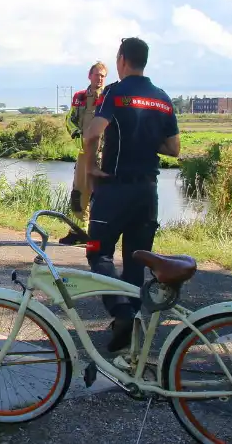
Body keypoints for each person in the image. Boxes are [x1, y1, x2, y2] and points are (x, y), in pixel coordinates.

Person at [78, 37, 180, 353]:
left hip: (115, 188)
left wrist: (91, 166)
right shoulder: (162, 99)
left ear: (122, 60)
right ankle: (131, 324)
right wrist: (146, 139)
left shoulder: (117, 93)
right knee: (136, 259)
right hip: (148, 192)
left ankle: (122, 314)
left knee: (99, 252)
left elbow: (92, 131)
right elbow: (174, 149)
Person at [66, 62, 109, 224]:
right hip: (84, 151)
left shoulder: (109, 96)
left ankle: (98, 231)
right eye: (97, 75)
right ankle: (78, 229)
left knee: (100, 193)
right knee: (78, 191)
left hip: (104, 152)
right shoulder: (80, 96)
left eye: (103, 76)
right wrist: (76, 133)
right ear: (89, 76)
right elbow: (70, 119)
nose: (99, 79)